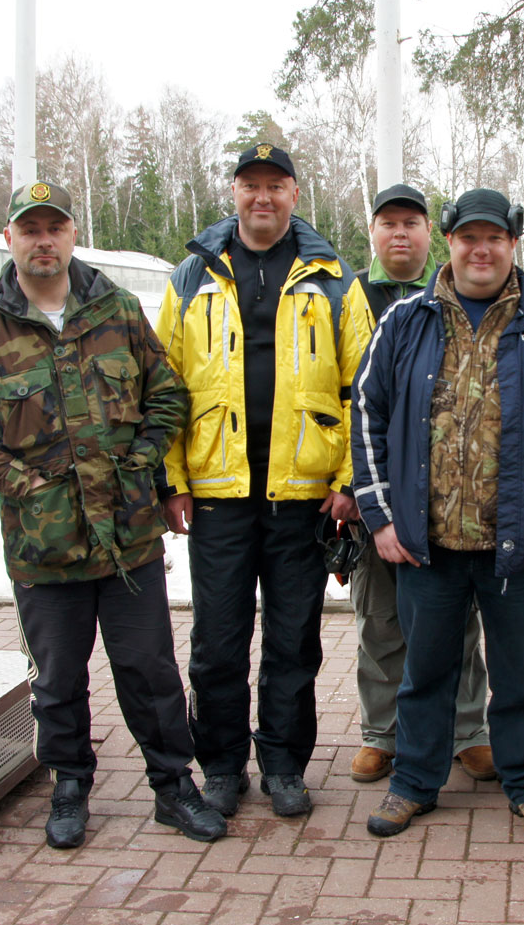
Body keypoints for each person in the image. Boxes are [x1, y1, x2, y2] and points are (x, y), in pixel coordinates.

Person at [0, 179, 225, 848]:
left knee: (150, 672)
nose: (43, 241)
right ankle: (69, 786)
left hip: (128, 539)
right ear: (8, 238)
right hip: (44, 546)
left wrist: (142, 461)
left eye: (54, 228)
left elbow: (168, 396)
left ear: (72, 234)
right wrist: (26, 485)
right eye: (29, 229)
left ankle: (173, 787)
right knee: (58, 680)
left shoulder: (117, 312)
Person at [352, 188, 524, 841]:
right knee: (424, 675)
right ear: (450, 241)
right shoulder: (405, 322)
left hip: (519, 544)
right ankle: (414, 782)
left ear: (513, 243)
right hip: (427, 543)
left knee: (523, 677)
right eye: (469, 237)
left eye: (494, 238)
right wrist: (381, 517)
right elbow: (368, 418)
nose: (481, 250)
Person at [155, 145, 371, 819]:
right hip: (218, 496)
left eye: (276, 185)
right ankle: (222, 766)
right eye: (251, 185)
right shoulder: (191, 277)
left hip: (301, 498)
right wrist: (171, 479)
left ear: (295, 195)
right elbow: (162, 387)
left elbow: (365, 389)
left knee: (292, 642)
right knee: (216, 645)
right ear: (235, 192)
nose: (263, 197)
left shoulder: (333, 279)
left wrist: (350, 480)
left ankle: (283, 764)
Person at [348, 183, 494, 785]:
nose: (400, 233)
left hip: (448, 498)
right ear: (373, 232)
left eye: (411, 223)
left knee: (457, 619)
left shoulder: (457, 294)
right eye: (388, 223)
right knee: (381, 617)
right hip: (374, 491)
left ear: (431, 233)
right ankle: (382, 733)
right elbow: (346, 399)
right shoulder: (346, 295)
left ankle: (467, 731)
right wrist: (353, 489)